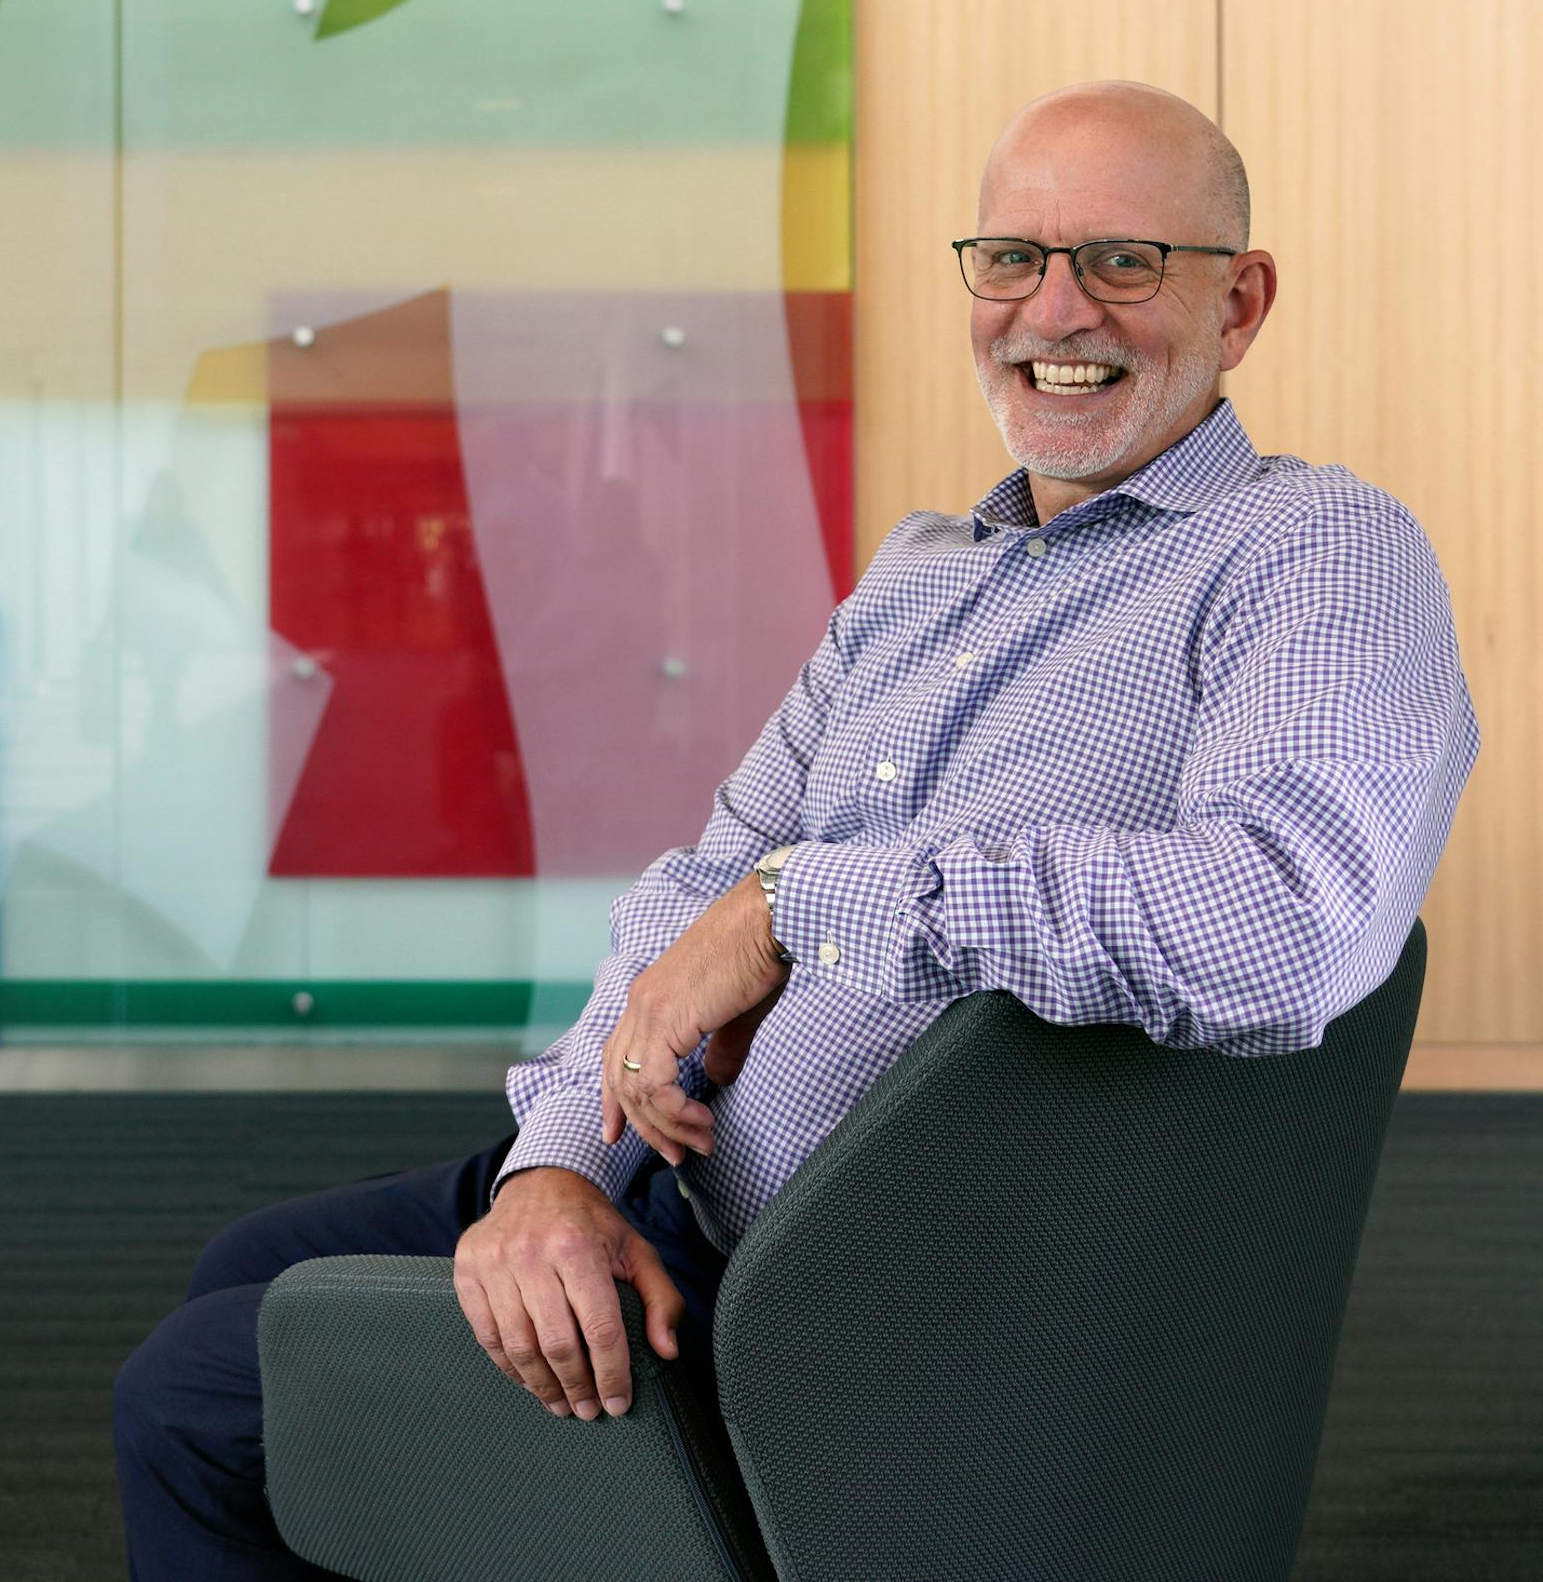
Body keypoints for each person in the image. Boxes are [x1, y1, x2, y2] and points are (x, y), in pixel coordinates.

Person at [110, 79, 1483, 1578]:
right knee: (255, 1269)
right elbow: (703, 884)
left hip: (841, 1291)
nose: (1055, 309)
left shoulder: (1312, 552)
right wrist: (559, 1168)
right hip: (679, 1165)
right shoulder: (922, 573)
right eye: (1012, 258)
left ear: (1242, 302)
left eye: (1122, 260)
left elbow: (1285, 919)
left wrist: (798, 910)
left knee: (194, 1401)